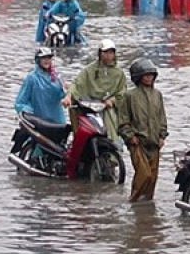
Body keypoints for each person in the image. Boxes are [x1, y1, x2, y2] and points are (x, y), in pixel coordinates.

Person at [118, 58, 168, 203]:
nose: (149, 78)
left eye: (151, 75)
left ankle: (147, 207)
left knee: (152, 179)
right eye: (146, 75)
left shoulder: (157, 95)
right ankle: (133, 202)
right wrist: (130, 136)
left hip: (154, 142)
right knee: (143, 175)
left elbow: (162, 118)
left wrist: (162, 136)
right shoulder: (129, 96)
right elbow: (123, 120)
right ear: (138, 77)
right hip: (137, 142)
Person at [62, 39, 127, 143]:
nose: (108, 56)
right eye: (105, 52)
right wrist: (68, 96)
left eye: (111, 52)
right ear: (100, 53)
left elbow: (122, 92)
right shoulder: (90, 70)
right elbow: (77, 84)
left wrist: (112, 101)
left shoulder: (119, 73)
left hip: (108, 109)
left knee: (113, 133)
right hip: (89, 108)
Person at [14, 48, 67, 125]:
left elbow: (64, 95)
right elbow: (20, 102)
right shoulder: (32, 78)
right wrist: (28, 114)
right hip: (39, 122)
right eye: (43, 58)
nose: (47, 60)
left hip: (57, 122)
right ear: (38, 60)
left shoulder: (57, 77)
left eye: (49, 58)